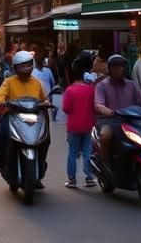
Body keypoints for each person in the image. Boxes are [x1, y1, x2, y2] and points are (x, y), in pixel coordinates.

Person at [0, 50, 48, 188]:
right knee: (5, 134)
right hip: (13, 115)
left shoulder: (37, 83)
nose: (26, 68)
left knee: (45, 139)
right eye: (22, 65)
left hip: (33, 116)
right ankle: (2, 161)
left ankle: (40, 169)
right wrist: (1, 101)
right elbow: (0, 96)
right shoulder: (9, 82)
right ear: (15, 68)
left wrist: (46, 103)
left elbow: (43, 99)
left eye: (28, 65)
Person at [94, 55, 141, 164]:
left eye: (122, 66)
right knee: (105, 135)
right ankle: (105, 163)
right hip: (109, 121)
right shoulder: (102, 85)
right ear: (110, 69)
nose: (120, 69)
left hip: (131, 121)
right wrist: (108, 111)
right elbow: (98, 104)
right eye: (116, 67)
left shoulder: (131, 85)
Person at [61, 58, 96, 188]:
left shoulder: (70, 90)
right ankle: (89, 177)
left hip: (74, 126)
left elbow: (66, 109)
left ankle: (72, 179)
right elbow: (94, 107)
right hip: (88, 125)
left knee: (72, 152)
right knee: (87, 152)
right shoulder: (90, 89)